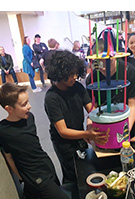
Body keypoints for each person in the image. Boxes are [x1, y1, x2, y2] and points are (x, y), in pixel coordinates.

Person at [0, 83, 73, 199]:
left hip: (45, 163)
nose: (29, 106)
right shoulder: (2, 131)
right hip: (33, 175)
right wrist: (20, 177)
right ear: (9, 109)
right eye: (24, 104)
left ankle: (33, 194)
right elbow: (8, 156)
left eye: (28, 102)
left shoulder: (30, 118)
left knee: (58, 188)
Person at [44, 50, 107, 183]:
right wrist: (87, 133)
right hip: (64, 143)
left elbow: (92, 110)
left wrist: (92, 123)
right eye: (70, 74)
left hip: (80, 134)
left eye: (75, 73)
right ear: (60, 73)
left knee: (85, 167)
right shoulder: (52, 98)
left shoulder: (77, 87)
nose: (74, 77)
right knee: (71, 173)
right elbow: (63, 131)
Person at [86, 37, 135, 135]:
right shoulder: (92, 79)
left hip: (125, 122)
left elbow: (132, 104)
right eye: (100, 63)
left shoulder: (128, 71)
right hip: (103, 125)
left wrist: (126, 132)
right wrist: (90, 127)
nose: (104, 67)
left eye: (108, 62)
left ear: (115, 56)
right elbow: (93, 107)